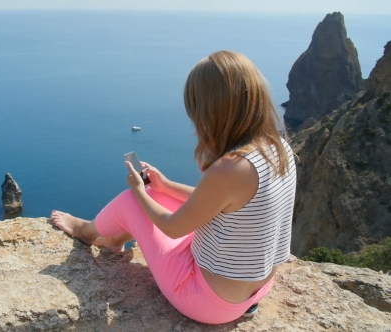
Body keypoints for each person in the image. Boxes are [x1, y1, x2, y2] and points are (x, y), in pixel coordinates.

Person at [51, 50, 296, 325]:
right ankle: (114, 240)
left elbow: (173, 227)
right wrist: (165, 186)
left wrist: (139, 192)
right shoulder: (277, 148)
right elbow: (219, 205)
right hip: (255, 289)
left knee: (131, 201)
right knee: (158, 194)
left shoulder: (229, 168)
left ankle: (84, 231)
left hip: (208, 301)